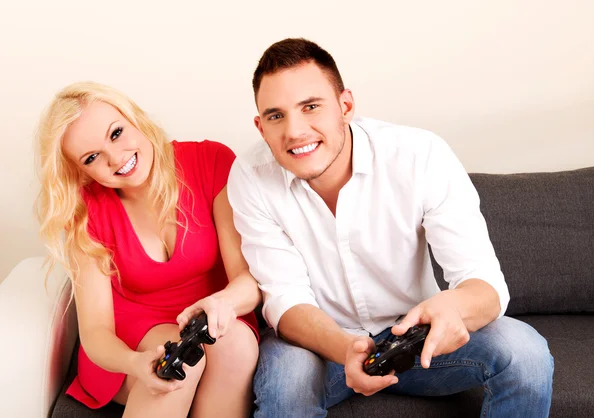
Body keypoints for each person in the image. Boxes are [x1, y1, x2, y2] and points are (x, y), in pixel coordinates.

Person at [227, 38, 554, 417]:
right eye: (276, 115)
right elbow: (286, 299)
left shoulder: (418, 155)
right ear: (261, 126)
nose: (295, 131)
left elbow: (484, 281)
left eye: (311, 107)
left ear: (345, 106)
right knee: (287, 384)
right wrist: (345, 348)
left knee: (526, 354)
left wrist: (453, 306)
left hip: (411, 341)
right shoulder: (250, 176)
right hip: (317, 345)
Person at [35, 82, 260, 418]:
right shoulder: (85, 211)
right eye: (92, 157)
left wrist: (223, 302)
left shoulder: (211, 160)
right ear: (81, 172)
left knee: (236, 344)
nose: (116, 158)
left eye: (116, 133)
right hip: (131, 343)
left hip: (217, 314)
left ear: (134, 117)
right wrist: (135, 363)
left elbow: (245, 280)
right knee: (181, 358)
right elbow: (96, 332)